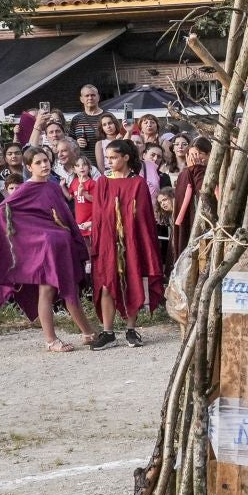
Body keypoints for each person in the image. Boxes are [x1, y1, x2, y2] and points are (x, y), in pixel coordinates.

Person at [0, 146, 101, 352]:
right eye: (38, 162)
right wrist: (37, 236)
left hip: (60, 248)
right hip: (44, 250)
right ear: (29, 167)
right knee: (47, 291)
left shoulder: (52, 186)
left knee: (70, 289)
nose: (44, 165)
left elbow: (63, 216)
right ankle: (52, 340)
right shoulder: (25, 189)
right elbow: (0, 214)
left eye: (46, 161)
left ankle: (87, 332)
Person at [88, 138, 164, 349]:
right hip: (107, 242)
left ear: (126, 158)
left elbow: (144, 218)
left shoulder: (138, 183)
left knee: (132, 281)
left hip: (131, 240)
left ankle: (131, 329)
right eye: (108, 158)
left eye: (113, 158)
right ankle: (108, 332)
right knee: (105, 285)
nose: (109, 161)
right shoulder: (103, 181)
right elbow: (98, 215)